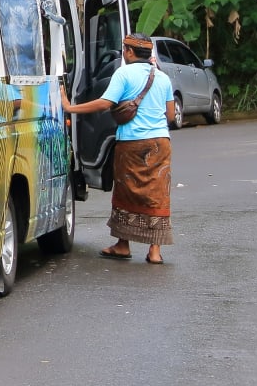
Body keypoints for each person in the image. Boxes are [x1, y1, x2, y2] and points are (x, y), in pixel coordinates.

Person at [61, 33, 176, 264]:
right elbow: (171, 116)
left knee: (126, 192)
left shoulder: (123, 73)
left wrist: (69, 107)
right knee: (158, 194)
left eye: (125, 49)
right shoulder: (163, 78)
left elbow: (105, 103)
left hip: (131, 143)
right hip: (160, 143)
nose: (124, 52)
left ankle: (123, 245)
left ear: (130, 52)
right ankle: (155, 251)